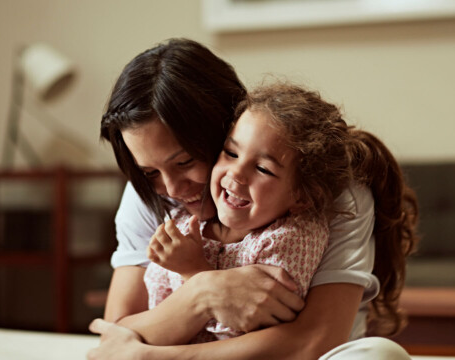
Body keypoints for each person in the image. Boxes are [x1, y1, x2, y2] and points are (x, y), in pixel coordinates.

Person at [89, 38, 419, 359]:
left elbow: (312, 342)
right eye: (149, 172)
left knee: (380, 355)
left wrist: (155, 354)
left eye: (185, 162)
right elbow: (115, 335)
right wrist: (204, 292)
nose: (172, 189)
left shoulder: (335, 193)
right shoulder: (148, 192)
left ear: (229, 128)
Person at [144, 82, 360, 342]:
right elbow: (155, 308)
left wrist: (194, 271)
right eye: (231, 153)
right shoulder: (185, 222)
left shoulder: (293, 237)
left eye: (263, 169)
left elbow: (251, 330)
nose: (236, 173)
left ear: (301, 197)